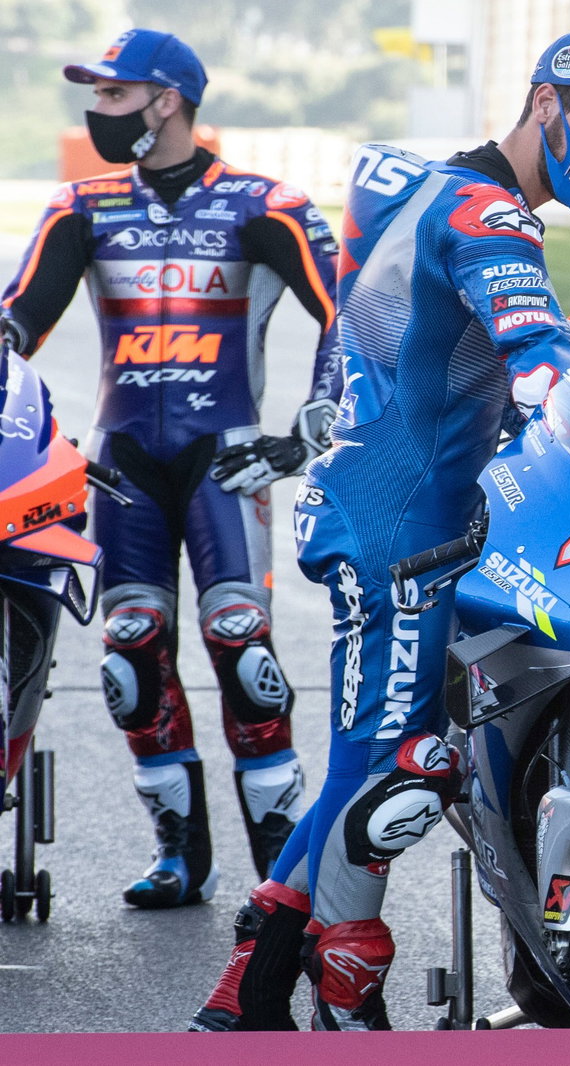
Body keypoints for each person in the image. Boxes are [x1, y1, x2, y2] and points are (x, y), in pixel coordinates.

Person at [190, 29, 570, 1031]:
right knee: (396, 767)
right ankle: (346, 998)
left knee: (362, 760)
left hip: (375, 494)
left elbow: (396, 340)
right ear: (543, 102)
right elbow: (543, 363)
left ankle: (248, 987)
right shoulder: (493, 217)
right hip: (404, 527)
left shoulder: (408, 185)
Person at [0, 28, 341, 909]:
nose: (98, 112)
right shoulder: (81, 205)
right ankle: (178, 853)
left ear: (168, 100)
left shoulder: (267, 204)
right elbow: (18, 320)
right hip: (121, 467)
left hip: (226, 459)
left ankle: (283, 862)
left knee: (241, 645)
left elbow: (349, 316)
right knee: (128, 652)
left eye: (114, 96)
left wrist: (310, 430)